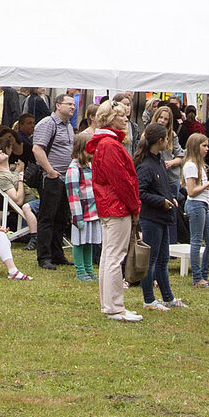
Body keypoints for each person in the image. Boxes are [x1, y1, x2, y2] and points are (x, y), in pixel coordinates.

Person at [86, 102, 142, 322]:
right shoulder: (110, 145)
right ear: (110, 119)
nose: (125, 118)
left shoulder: (106, 143)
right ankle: (114, 306)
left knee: (110, 255)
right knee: (114, 256)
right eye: (120, 115)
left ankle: (109, 304)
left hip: (111, 205)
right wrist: (134, 206)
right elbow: (122, 181)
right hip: (116, 206)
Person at [132, 122, 184, 312]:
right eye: (167, 138)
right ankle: (148, 300)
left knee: (163, 260)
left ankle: (168, 297)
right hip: (151, 218)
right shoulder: (145, 166)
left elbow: (162, 188)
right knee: (150, 261)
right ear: (160, 141)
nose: (169, 142)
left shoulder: (159, 161)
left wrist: (170, 198)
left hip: (163, 217)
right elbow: (141, 192)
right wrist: (161, 201)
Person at [31, 92, 76, 271]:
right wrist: (50, 171)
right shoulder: (47, 124)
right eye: (69, 104)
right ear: (58, 105)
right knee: (47, 217)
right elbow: (37, 149)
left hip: (67, 178)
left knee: (62, 217)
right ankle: (44, 256)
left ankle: (58, 253)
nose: (73, 107)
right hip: (52, 178)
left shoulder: (68, 126)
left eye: (73, 105)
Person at [178, 133, 209, 288]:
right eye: (204, 146)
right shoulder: (190, 165)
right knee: (196, 241)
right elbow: (191, 191)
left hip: (203, 204)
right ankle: (197, 277)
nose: (207, 149)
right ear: (196, 147)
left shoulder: (200, 165)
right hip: (196, 204)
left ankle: (203, 274)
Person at [65, 121, 102, 283]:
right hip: (81, 214)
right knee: (79, 243)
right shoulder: (74, 169)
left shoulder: (90, 166)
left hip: (93, 213)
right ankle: (80, 270)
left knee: (90, 242)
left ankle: (89, 269)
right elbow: (73, 195)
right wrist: (77, 217)